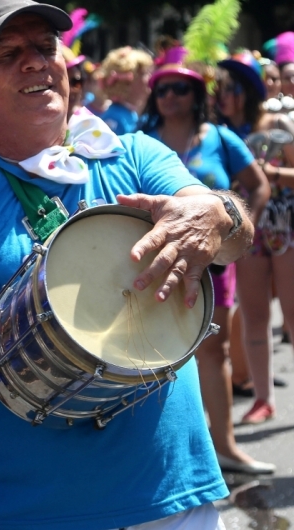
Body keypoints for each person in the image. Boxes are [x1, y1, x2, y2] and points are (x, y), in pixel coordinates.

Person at [0, 1, 254, 528]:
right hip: (31, 512)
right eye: (8, 54)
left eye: (45, 48)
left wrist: (218, 213)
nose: (36, 63)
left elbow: (236, 238)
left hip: (173, 498)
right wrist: (53, 326)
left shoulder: (136, 155)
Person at [139, 46, 273, 474]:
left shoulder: (219, 136)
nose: (170, 96)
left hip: (215, 268)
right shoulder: (142, 143)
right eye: (162, 89)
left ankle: (226, 449)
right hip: (156, 264)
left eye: (180, 88)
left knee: (214, 354)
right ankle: (166, 461)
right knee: (156, 357)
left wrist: (241, 233)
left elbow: (259, 185)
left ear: (197, 94)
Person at [218, 51, 294, 425]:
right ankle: (263, 398)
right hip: (244, 233)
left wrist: (271, 176)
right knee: (253, 315)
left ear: (249, 90)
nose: (224, 94)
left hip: (283, 228)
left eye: (232, 87)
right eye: (220, 87)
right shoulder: (217, 131)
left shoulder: (277, 121)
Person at [98, 46, 153, 134]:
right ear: (126, 82)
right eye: (143, 73)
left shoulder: (129, 113)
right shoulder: (114, 118)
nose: (149, 78)